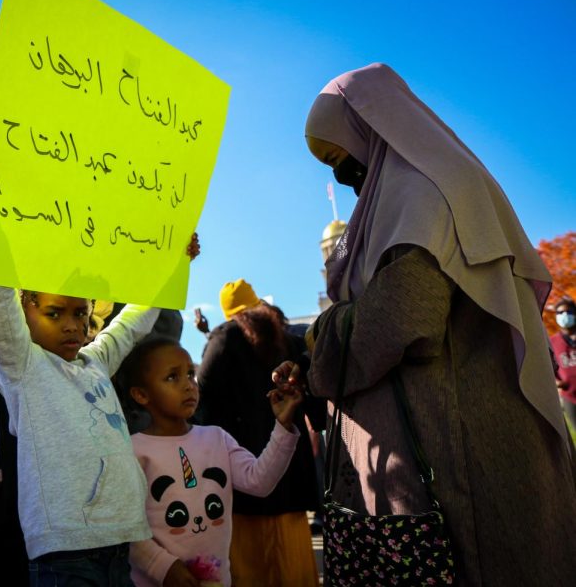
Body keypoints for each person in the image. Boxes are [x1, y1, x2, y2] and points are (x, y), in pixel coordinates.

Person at [292, 62, 576, 585]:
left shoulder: (424, 192)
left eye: (340, 156)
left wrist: (320, 334)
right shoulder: (400, 196)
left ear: (371, 129)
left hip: (458, 455)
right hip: (432, 454)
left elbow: (405, 316)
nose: (341, 176)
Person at [0, 133, 200, 585]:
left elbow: (136, 319)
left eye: (81, 313)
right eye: (55, 312)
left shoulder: (96, 361)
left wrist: (174, 262)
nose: (71, 325)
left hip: (119, 542)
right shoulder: (21, 365)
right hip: (63, 552)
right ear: (25, 312)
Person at [118, 337, 301, 587]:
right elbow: (125, 526)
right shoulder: (132, 451)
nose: (188, 385)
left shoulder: (217, 438)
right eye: (172, 377)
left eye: (190, 374)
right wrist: (164, 567)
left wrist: (283, 426)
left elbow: (260, 481)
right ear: (141, 394)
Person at [196, 278, 324, 586]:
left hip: (244, 482)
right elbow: (317, 411)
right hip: (291, 479)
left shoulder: (225, 338)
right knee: (295, 571)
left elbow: (202, 399)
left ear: (228, 311)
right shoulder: (291, 340)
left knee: (251, 571)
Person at [551, 297, 576, 433]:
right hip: (570, 396)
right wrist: (557, 382)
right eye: (560, 313)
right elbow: (549, 368)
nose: (564, 316)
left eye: (568, 312)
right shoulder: (553, 342)